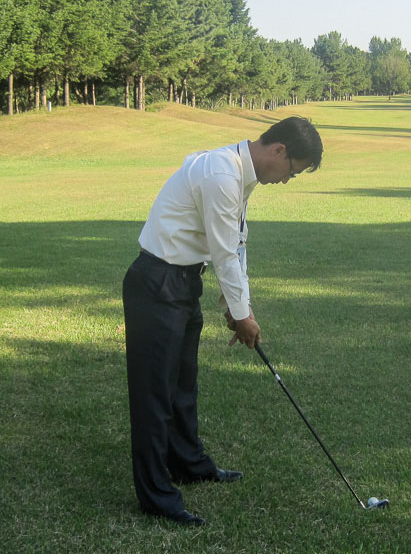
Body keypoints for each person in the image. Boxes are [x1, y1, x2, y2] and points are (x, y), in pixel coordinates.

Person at [122, 116, 324, 526]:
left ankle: (189, 464)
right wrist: (242, 315)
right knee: (154, 397)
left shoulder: (238, 171)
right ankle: (157, 496)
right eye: (292, 171)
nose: (288, 180)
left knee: (182, 387)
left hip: (181, 282)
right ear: (279, 151)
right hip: (157, 283)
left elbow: (236, 242)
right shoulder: (221, 174)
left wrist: (240, 308)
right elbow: (225, 252)